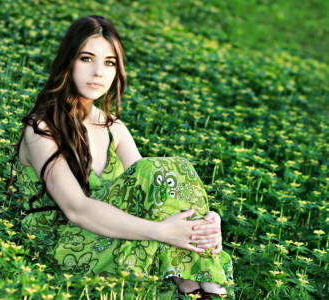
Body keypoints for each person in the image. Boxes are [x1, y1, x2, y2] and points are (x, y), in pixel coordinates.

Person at [12, 15, 233, 299]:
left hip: (118, 234)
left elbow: (156, 193)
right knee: (158, 172)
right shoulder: (41, 129)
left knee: (171, 168)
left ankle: (198, 286)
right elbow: (76, 209)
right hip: (65, 247)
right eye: (86, 59)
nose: (98, 73)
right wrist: (162, 232)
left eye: (109, 62)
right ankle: (203, 284)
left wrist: (205, 222)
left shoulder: (113, 128)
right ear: (67, 62)